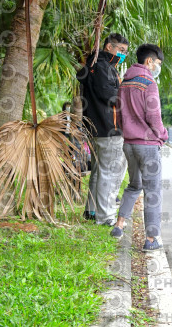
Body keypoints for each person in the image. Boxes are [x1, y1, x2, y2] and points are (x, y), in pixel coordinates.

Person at [110, 44, 168, 251]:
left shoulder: (125, 81)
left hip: (129, 144)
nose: (158, 67)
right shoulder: (149, 83)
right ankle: (151, 239)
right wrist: (162, 134)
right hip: (147, 146)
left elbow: (118, 111)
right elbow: (154, 117)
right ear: (149, 61)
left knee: (134, 185)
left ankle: (119, 225)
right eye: (158, 63)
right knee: (152, 191)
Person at [78, 33, 129, 225]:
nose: (123, 55)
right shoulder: (102, 67)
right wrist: (128, 94)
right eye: (121, 51)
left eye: (125, 52)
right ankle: (106, 217)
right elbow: (110, 95)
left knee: (100, 171)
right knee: (111, 171)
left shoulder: (94, 65)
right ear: (109, 47)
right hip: (108, 127)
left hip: (96, 127)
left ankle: (92, 211)